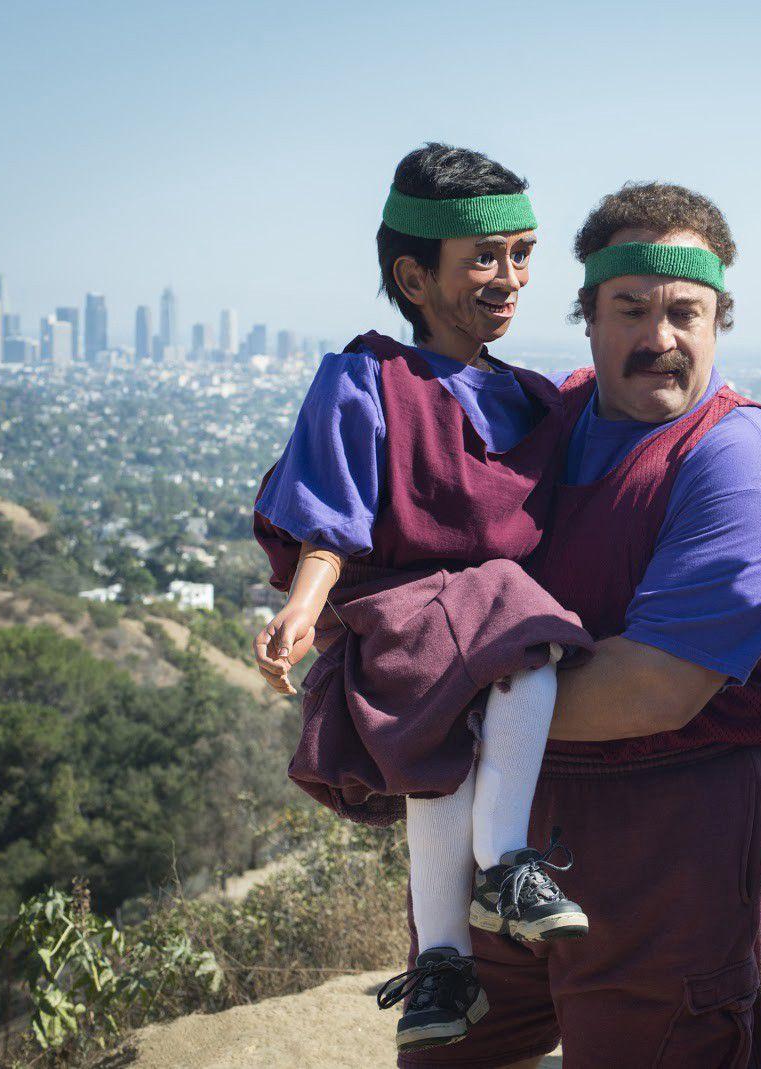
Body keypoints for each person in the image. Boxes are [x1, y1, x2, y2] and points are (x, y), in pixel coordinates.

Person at [407, 182, 761, 1069]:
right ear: (587, 316)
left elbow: (655, 688)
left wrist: (430, 703)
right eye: (630, 308)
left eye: (685, 312)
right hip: (509, 829)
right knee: (459, 1048)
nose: (659, 337)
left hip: (674, 831)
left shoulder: (743, 460)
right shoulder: (543, 421)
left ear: (718, 322)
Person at [250, 142, 594, 1053]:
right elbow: (332, 511)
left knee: (444, 753)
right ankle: (505, 866)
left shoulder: (532, 400)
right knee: (520, 635)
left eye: (522, 254)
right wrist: (303, 606)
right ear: (414, 276)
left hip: (486, 629)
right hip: (407, 619)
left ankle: (443, 962)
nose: (510, 278)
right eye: (484, 257)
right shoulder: (367, 379)